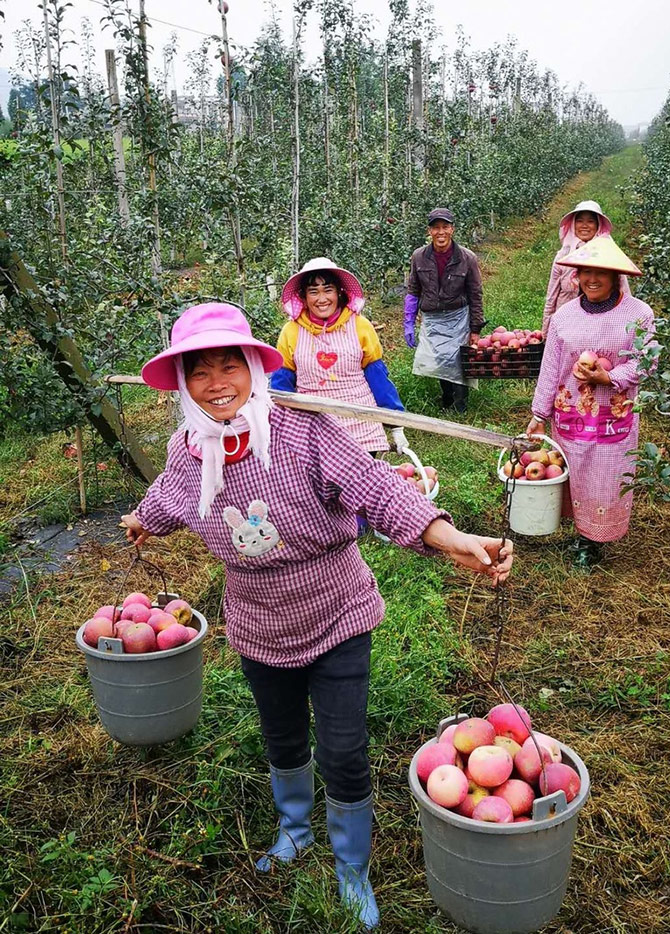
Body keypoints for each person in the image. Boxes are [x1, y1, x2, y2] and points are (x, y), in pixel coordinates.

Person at [121, 302, 514, 930]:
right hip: (258, 626)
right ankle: (295, 827)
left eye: (231, 365)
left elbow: (377, 488)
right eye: (200, 372)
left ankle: (351, 862)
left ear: (255, 368)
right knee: (281, 736)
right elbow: (169, 495)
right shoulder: (188, 449)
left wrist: (450, 537)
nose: (217, 382)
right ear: (183, 384)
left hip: (336, 613)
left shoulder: (303, 431)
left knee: (343, 746)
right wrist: (145, 520)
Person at [527, 238, 654, 569]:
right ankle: (582, 532)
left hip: (613, 417)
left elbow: (646, 362)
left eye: (601, 273)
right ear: (577, 276)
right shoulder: (564, 317)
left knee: (606, 475)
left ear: (615, 278)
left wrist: (609, 378)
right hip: (571, 414)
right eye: (586, 272)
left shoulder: (638, 314)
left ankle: (593, 541)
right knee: (575, 472)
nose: (592, 279)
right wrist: (539, 413)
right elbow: (551, 368)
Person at [271, 257, 408, 456]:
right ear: (303, 297)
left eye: (328, 290)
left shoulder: (360, 326)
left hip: (360, 424)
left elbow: (378, 378)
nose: (322, 298)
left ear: (339, 292)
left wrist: (396, 425)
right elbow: (281, 385)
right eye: (313, 292)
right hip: (313, 427)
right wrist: (278, 428)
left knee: (361, 485)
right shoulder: (291, 331)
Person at [403, 207, 484, 413]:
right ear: (429, 231)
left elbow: (475, 294)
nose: (441, 232)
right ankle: (447, 399)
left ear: (452, 229)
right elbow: (413, 290)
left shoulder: (467, 258)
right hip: (433, 318)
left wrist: (475, 329)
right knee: (439, 360)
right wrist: (409, 322)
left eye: (445, 227)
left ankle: (460, 407)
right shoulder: (419, 257)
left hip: (458, 316)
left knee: (458, 360)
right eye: (436, 228)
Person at [542, 199, 629, 339]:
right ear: (573, 224)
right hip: (566, 327)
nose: (584, 226)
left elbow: (624, 292)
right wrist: (546, 333)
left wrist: (627, 328)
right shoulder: (563, 256)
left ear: (598, 226)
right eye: (580, 221)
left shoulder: (609, 255)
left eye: (590, 221)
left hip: (600, 327)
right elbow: (551, 297)